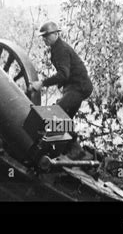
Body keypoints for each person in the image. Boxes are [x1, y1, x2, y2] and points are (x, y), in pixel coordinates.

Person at [30, 22, 93, 159]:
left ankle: (74, 150)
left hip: (79, 87)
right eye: (43, 36)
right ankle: (68, 150)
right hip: (76, 87)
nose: (45, 39)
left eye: (47, 35)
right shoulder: (56, 48)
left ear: (56, 34)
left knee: (57, 114)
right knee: (64, 119)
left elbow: (64, 74)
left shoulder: (61, 49)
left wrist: (42, 83)